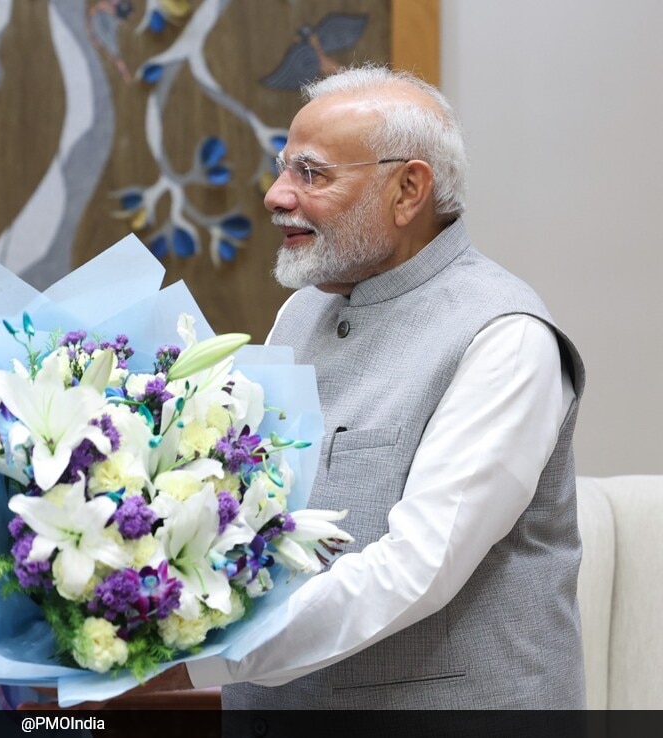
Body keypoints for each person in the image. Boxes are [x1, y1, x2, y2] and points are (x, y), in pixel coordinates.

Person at [135, 65, 586, 711]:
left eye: (310, 174)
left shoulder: (507, 336)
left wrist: (194, 654)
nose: (275, 195)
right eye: (284, 168)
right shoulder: (302, 312)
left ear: (408, 190)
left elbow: (415, 568)